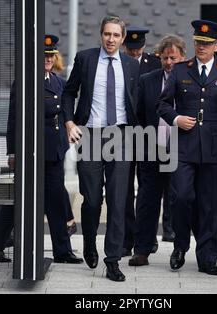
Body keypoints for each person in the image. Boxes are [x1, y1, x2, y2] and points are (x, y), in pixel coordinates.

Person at [157, 20, 217, 276]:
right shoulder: (180, 70)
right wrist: (176, 118)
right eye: (197, 42)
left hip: (215, 148)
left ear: (216, 46)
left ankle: (207, 257)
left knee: (208, 205)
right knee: (182, 197)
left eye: (206, 44)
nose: (201, 47)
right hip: (184, 147)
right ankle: (180, 246)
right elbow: (162, 104)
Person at [0, 35, 83, 265]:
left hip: (54, 153)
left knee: (56, 202)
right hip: (31, 153)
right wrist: (12, 153)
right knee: (22, 201)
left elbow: (62, 114)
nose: (48, 59)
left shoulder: (57, 81)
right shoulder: (24, 82)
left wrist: (66, 137)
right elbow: (13, 120)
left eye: (50, 55)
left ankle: (62, 251)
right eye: (43, 55)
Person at [62, 16, 140, 282]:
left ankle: (113, 260)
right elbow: (69, 92)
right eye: (107, 34)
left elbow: (137, 101)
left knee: (119, 201)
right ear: (101, 35)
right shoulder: (85, 59)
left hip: (120, 135)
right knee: (93, 199)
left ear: (122, 38)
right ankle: (88, 243)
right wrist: (70, 122)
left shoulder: (131, 65)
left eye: (116, 35)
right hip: (91, 136)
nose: (111, 39)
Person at [129, 34, 187, 267]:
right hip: (152, 149)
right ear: (159, 58)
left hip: (180, 151)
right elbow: (140, 115)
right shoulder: (148, 80)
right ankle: (141, 250)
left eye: (173, 58)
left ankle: (179, 249)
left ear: (183, 57)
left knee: (179, 201)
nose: (169, 62)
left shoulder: (190, 80)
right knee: (146, 200)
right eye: (165, 58)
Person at [121, 26, 162, 257]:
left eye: (138, 50)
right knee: (125, 189)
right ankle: (128, 238)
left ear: (144, 46)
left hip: (148, 136)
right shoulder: (120, 63)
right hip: (125, 135)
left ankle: (147, 237)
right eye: (131, 50)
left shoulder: (155, 63)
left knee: (148, 190)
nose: (135, 54)